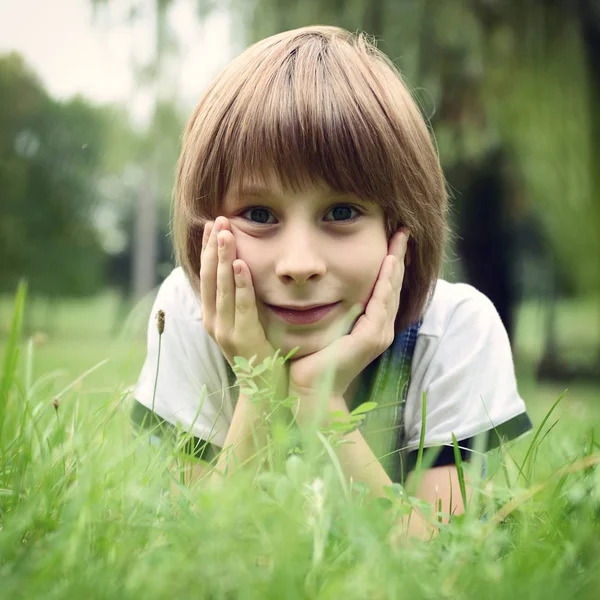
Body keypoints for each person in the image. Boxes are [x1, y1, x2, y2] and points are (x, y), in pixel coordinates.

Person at [131, 25, 531, 535]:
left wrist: (319, 401)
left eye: (341, 211)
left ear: (402, 226)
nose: (299, 263)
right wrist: (259, 386)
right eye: (259, 212)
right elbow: (192, 554)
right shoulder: (188, 316)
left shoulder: (454, 332)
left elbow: (439, 562)